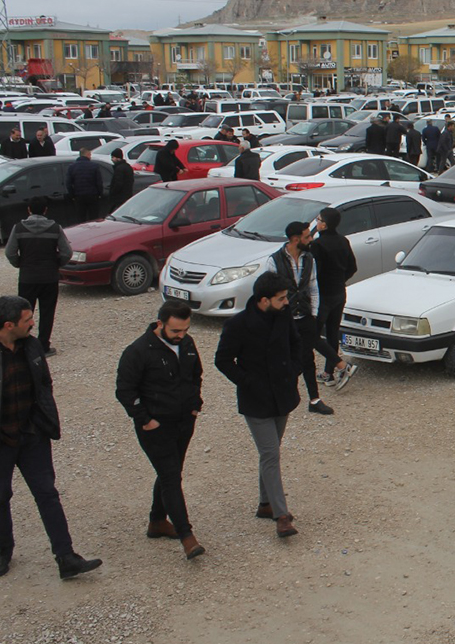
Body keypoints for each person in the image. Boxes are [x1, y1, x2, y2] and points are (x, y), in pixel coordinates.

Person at [0, 295, 104, 580]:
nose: (33, 324)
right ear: (8, 324)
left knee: (47, 494)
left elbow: (44, 383)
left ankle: (66, 557)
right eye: (28, 320)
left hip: (31, 435)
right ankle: (4, 550)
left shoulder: (32, 344)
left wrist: (42, 422)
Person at [114, 300, 205, 560]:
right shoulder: (138, 351)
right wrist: (145, 419)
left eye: (186, 330)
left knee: (171, 472)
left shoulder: (187, 344)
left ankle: (157, 521)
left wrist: (195, 406)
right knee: (170, 476)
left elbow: (196, 375)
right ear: (160, 323)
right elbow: (125, 390)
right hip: (155, 427)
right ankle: (187, 536)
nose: (181, 336)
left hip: (184, 421)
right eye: (176, 331)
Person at [214, 273, 302, 539]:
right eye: (281, 298)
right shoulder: (238, 325)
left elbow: (296, 345)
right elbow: (223, 360)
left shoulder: (283, 315)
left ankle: (265, 504)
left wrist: (293, 371)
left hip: (282, 396)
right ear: (264, 300)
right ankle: (281, 515)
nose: (286, 302)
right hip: (256, 400)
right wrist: (247, 381)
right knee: (271, 454)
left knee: (270, 452)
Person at [264, 222, 333, 416]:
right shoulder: (274, 261)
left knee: (308, 359)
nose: (310, 239)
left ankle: (314, 399)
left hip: (305, 317)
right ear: (296, 239)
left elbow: (313, 287)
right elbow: (270, 291)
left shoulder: (309, 259)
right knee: (283, 358)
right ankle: (283, 397)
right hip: (284, 319)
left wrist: (313, 313)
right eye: (307, 237)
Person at [4, 196, 70, 357]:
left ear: (29, 210)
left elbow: (9, 252)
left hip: (27, 277)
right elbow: (67, 252)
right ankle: (43, 346)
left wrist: (19, 263)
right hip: (49, 277)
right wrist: (57, 263)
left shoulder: (19, 228)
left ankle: (23, 345)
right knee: (47, 312)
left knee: (24, 313)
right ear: (46, 210)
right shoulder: (55, 228)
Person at [310, 208, 359, 392]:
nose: (317, 222)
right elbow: (352, 267)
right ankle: (328, 373)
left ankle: (341, 365)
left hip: (323, 296)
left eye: (318, 219)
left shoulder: (318, 245)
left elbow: (315, 273)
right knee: (332, 333)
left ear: (324, 224)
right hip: (339, 292)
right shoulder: (343, 240)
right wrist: (340, 279)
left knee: (311, 335)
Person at [65, 147, 105, 223]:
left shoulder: (72, 167)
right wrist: (100, 194)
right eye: (90, 155)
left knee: (81, 218)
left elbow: (68, 183)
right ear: (87, 154)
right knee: (93, 218)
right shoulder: (94, 166)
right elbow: (99, 182)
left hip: (79, 196)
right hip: (93, 195)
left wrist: (72, 195)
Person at [109, 149, 135, 213]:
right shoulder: (128, 167)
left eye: (113, 157)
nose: (111, 159)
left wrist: (112, 192)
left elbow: (118, 183)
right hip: (127, 195)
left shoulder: (119, 168)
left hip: (120, 197)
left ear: (118, 158)